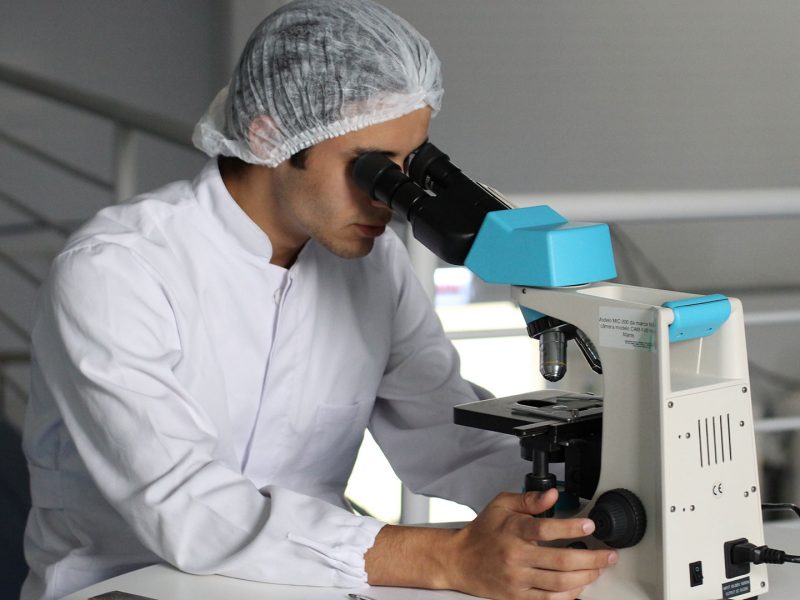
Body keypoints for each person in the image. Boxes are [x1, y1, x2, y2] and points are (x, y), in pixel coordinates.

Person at [20, 1, 616, 599]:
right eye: (372, 170)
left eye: (410, 165)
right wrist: (448, 557)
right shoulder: (118, 271)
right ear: (270, 134)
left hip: (308, 583)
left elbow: (447, 436)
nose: (391, 199)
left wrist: (583, 493)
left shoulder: (373, 267)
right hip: (127, 587)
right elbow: (186, 507)